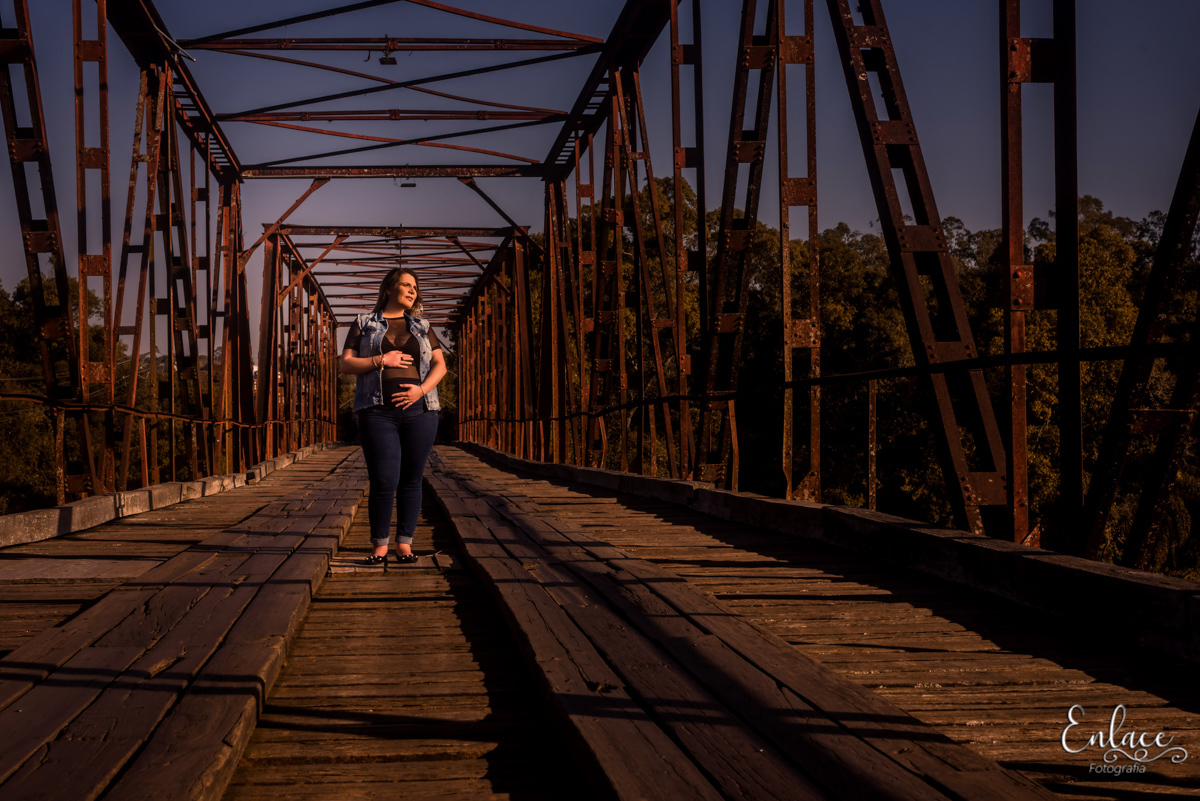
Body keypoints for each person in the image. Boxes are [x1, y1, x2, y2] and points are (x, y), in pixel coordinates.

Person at [340, 268, 447, 566]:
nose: (412, 291)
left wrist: (420, 391)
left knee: (412, 479)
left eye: (415, 287)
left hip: (420, 411)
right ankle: (380, 545)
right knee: (384, 479)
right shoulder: (364, 323)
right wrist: (381, 360)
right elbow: (346, 364)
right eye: (406, 285)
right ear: (389, 288)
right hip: (377, 411)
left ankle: (404, 544)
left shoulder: (423, 326)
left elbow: (440, 365)